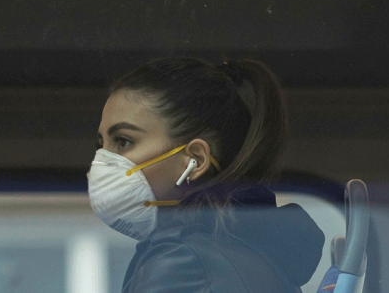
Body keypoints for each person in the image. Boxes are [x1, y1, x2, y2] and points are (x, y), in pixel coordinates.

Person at [87, 57, 324, 293]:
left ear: (196, 160)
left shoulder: (182, 261)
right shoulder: (248, 252)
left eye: (123, 141)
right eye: (101, 145)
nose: (101, 161)